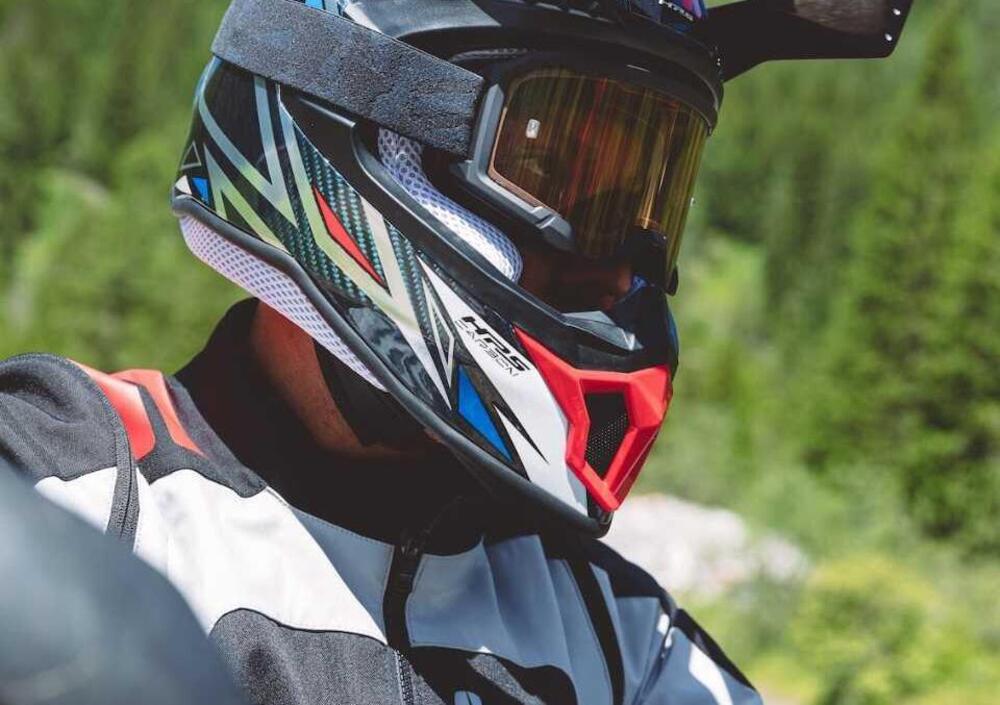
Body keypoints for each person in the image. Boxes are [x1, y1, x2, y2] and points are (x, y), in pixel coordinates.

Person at [0, 1, 912, 703]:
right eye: (563, 174)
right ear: (365, 115)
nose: (619, 273)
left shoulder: (619, 637)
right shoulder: (68, 491)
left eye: (644, 195)